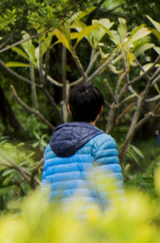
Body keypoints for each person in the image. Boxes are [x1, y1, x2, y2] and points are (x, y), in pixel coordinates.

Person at [41, 81, 124, 214]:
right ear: (100, 110)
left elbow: (44, 200)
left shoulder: (50, 148)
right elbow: (113, 198)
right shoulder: (102, 143)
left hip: (59, 231)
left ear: (69, 109)